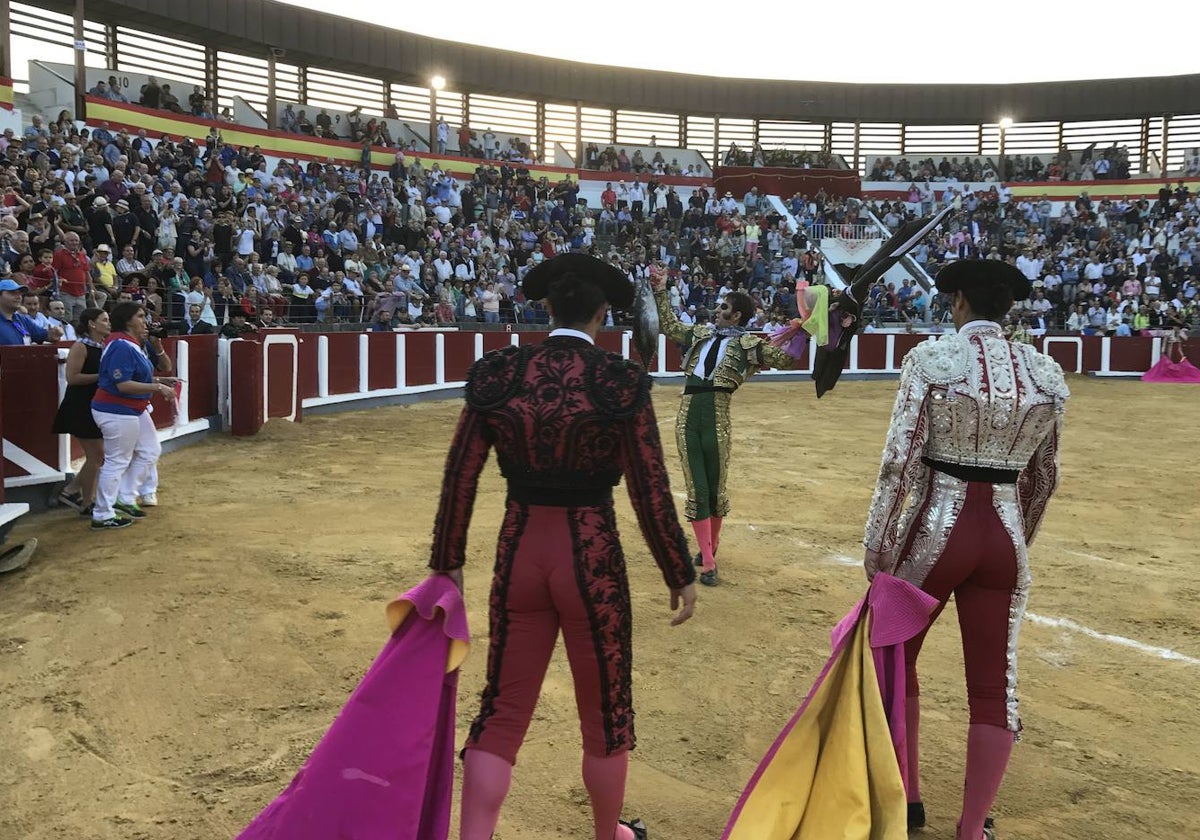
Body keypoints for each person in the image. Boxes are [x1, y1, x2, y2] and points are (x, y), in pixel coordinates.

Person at [429, 254, 697, 840]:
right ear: (604, 313)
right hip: (591, 556)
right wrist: (679, 570)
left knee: (502, 709)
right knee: (605, 712)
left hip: (519, 549)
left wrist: (447, 566)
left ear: (547, 308)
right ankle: (610, 836)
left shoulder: (500, 373)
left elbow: (460, 475)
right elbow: (649, 487)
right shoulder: (617, 381)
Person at [862, 261, 1068, 840]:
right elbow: (1044, 477)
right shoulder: (1045, 374)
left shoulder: (932, 361)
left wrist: (879, 548)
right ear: (1008, 309)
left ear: (956, 303)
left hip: (935, 529)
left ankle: (906, 801)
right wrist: (1016, 540)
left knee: (897, 658)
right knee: (992, 684)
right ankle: (973, 828)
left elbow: (897, 464)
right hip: (1003, 533)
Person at [651, 265, 804, 585]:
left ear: (736, 317)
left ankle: (711, 545)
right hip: (688, 414)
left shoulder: (750, 345)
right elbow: (667, 324)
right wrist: (661, 289)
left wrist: (803, 331)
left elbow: (787, 360)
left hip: (718, 415)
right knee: (698, 487)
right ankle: (708, 560)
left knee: (715, 488)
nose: (717, 310)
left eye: (724, 307)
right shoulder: (700, 334)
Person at [90, 302, 177, 530]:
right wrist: (158, 388)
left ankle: (125, 497)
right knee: (117, 460)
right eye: (140, 316)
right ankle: (102, 513)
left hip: (130, 409)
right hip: (116, 409)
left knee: (150, 450)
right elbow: (123, 384)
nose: (144, 321)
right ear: (128, 320)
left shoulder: (127, 343)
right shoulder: (121, 345)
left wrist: (159, 381)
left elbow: (132, 378)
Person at [52, 308, 110, 515]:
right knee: (97, 456)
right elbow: (73, 378)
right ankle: (81, 498)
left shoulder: (102, 346)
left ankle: (76, 494)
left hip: (94, 405)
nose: (108, 323)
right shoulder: (81, 346)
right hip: (80, 406)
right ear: (92, 324)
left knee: (96, 456)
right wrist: (102, 376)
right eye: (104, 320)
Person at [0, 278, 62, 345]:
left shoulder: (22, 320)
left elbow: (45, 336)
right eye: (12, 293)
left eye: (20, 293)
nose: (18, 297)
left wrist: (55, 333)